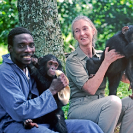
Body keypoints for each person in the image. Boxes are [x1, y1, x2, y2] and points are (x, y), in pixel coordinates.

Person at [0, 27, 104, 133]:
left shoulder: (30, 67)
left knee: (88, 127)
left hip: (38, 120)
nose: (28, 50)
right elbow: (19, 112)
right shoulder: (4, 73)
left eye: (31, 45)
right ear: (10, 48)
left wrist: (62, 91)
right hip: (12, 125)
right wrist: (52, 90)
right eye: (21, 45)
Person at [66, 15, 133, 133]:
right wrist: (106, 62)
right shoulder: (72, 60)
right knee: (113, 101)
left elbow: (121, 75)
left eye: (85, 29)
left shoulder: (102, 53)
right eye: (77, 31)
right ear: (75, 36)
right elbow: (90, 89)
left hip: (105, 108)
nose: (82, 33)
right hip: (80, 109)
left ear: (93, 31)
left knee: (131, 103)